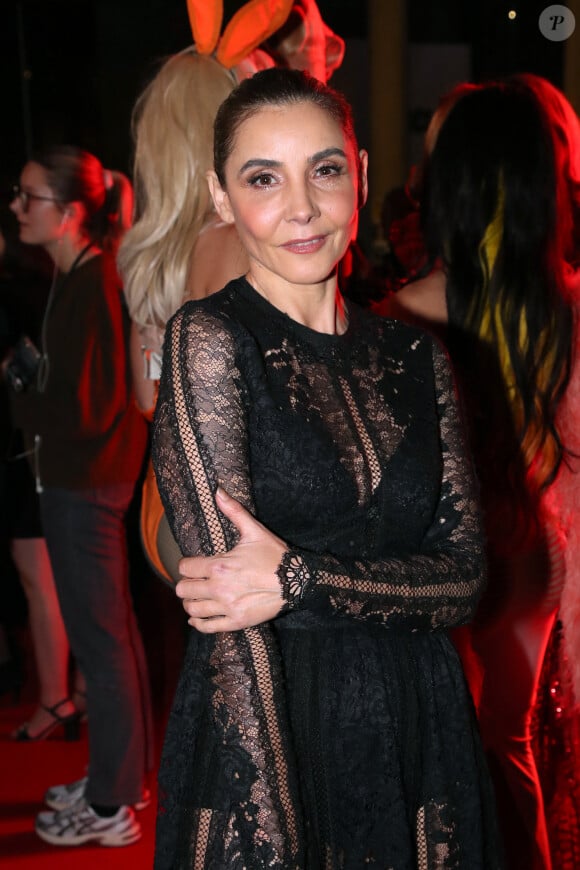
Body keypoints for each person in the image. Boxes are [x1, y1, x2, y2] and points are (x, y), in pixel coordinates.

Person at [151, 67, 503, 869]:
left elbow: (464, 579)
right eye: (263, 179)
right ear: (219, 197)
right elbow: (233, 618)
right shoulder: (210, 340)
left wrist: (303, 579)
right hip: (272, 726)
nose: (302, 207)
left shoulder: (420, 356)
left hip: (422, 724)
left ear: (362, 174)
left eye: (325, 169)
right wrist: (273, 831)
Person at [380, 78, 580, 870]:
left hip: (442, 571)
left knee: (443, 762)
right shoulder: (563, 306)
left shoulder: (403, 318)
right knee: (509, 746)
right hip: (532, 556)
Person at [8, 145, 153, 847]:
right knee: (109, 637)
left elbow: (89, 411)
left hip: (88, 484)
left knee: (103, 643)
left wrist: (19, 398)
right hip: (82, 480)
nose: (15, 207)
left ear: (67, 214)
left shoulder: (93, 283)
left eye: (28, 198)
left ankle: (112, 804)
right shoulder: (75, 276)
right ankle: (115, 778)